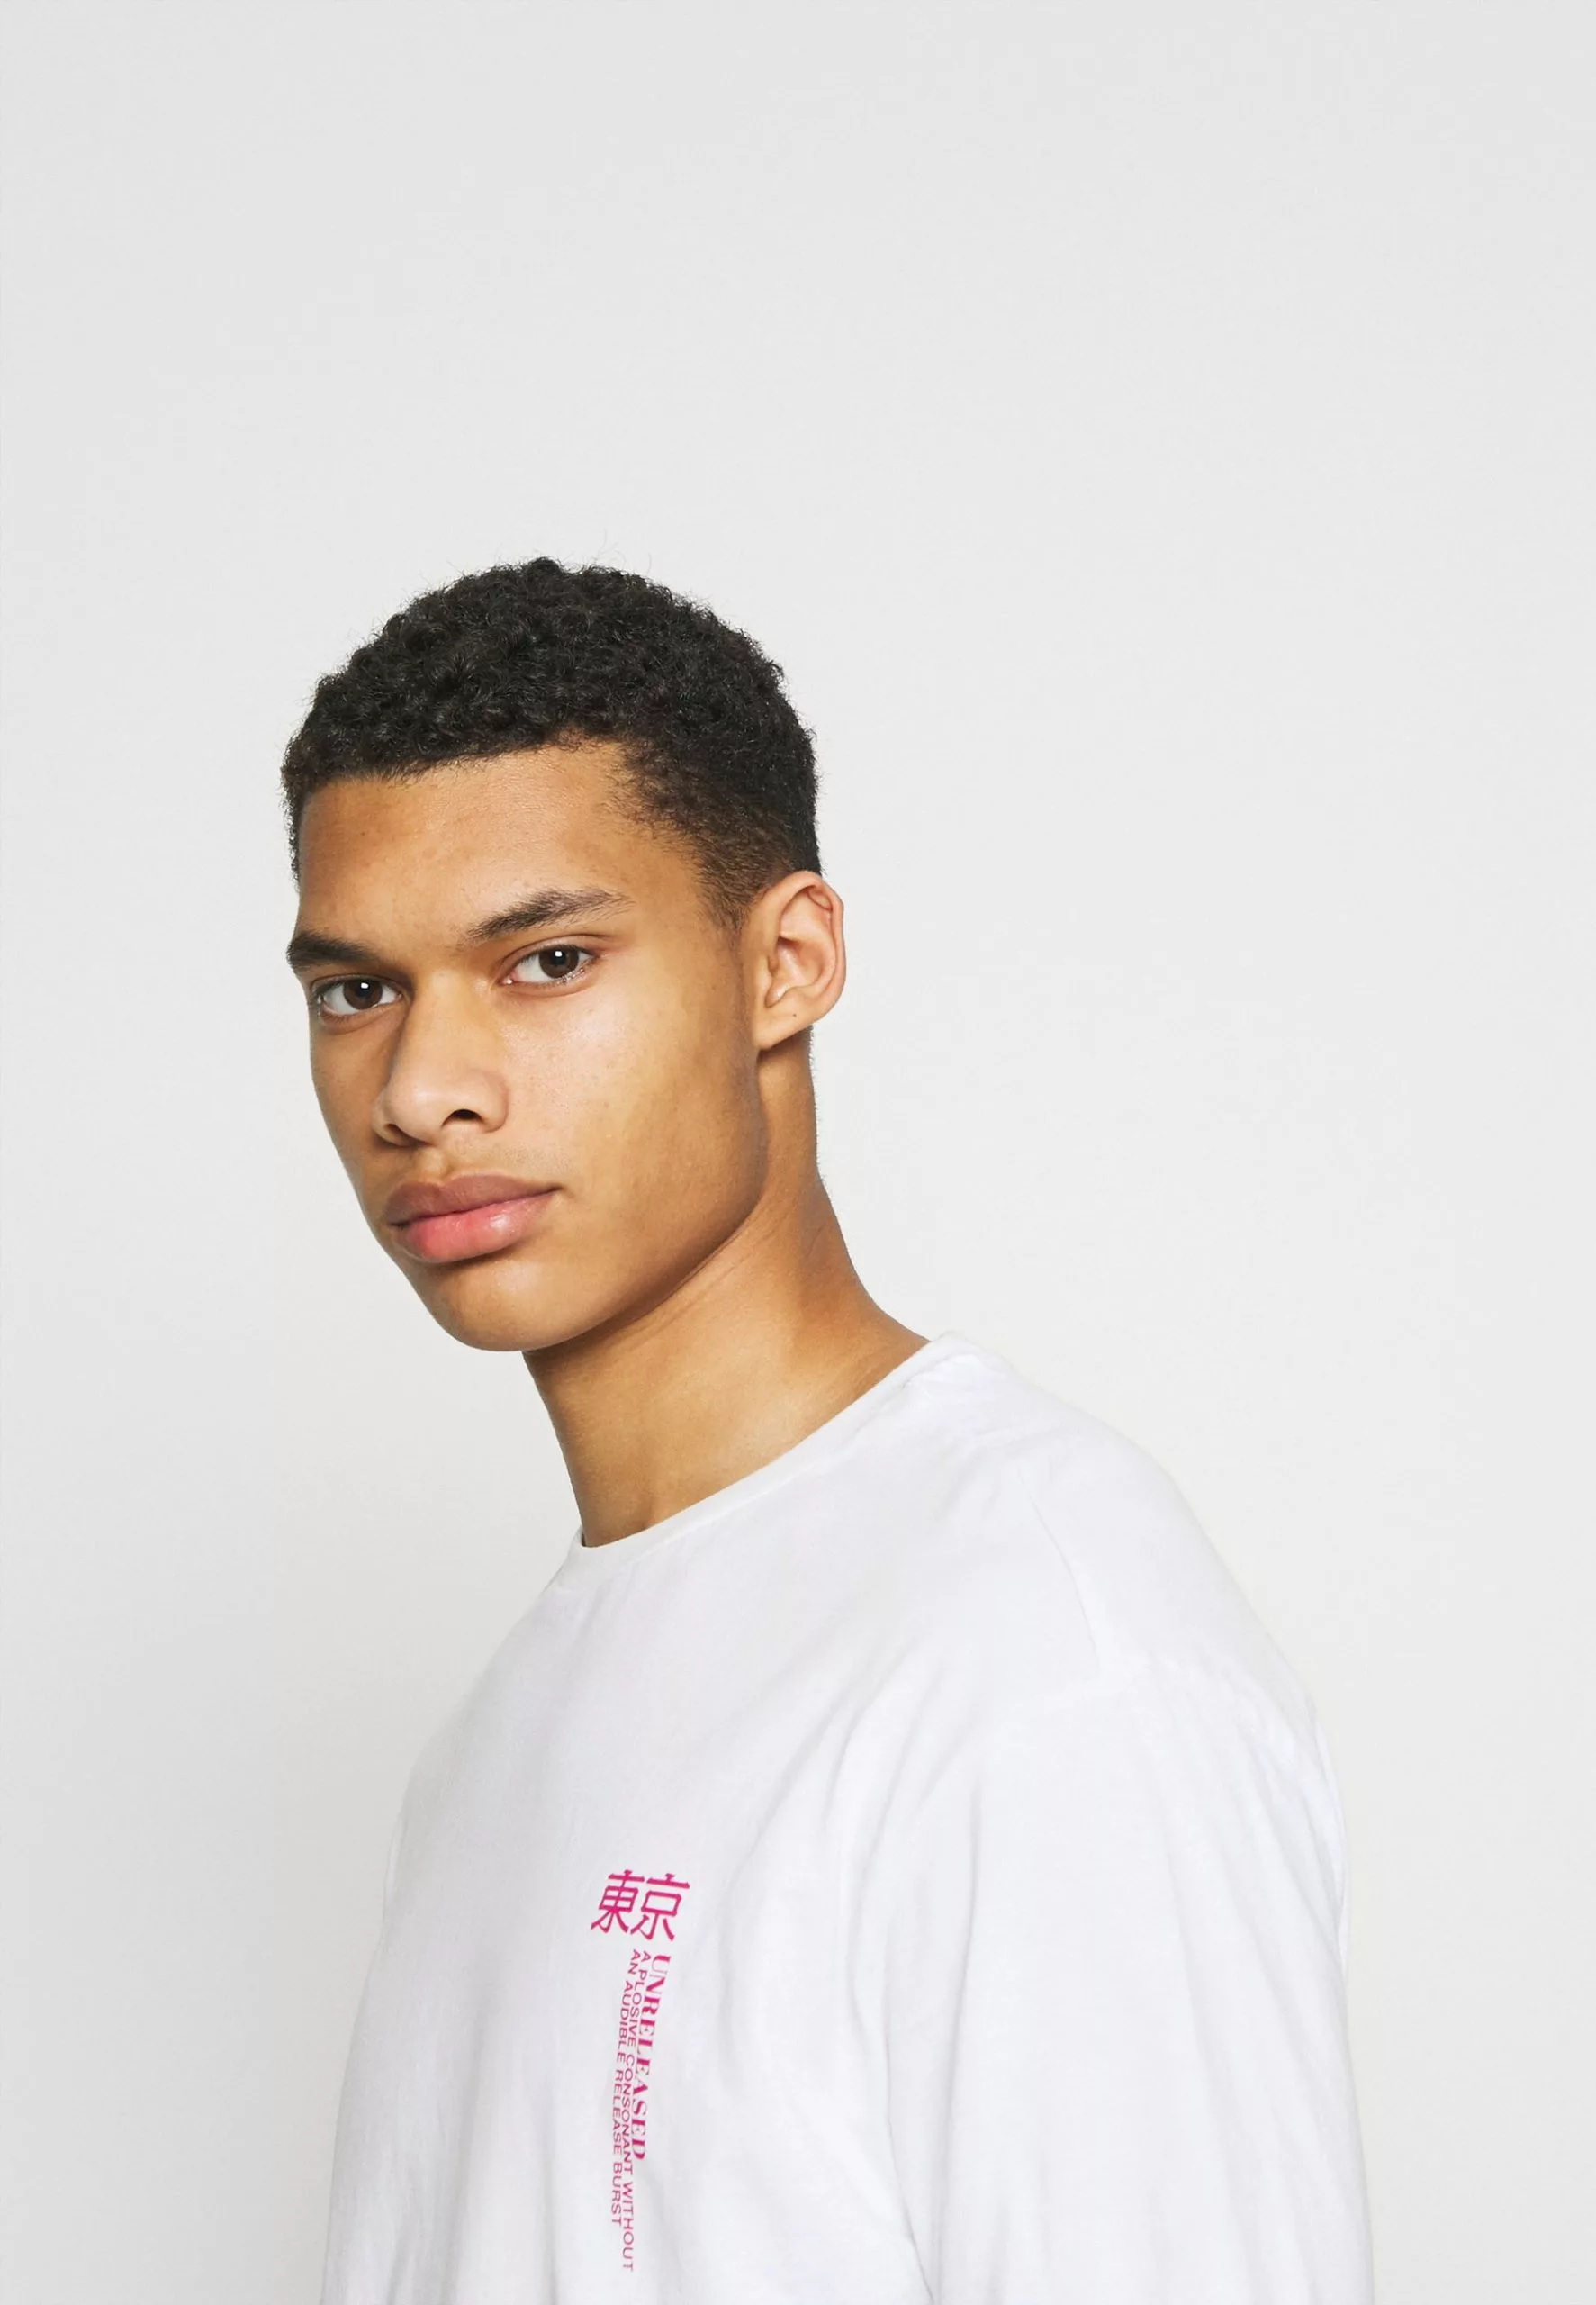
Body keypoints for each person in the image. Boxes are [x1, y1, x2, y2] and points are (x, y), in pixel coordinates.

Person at [283, 559, 1373, 2304]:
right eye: (358, 992)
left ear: (784, 962)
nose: (422, 1090)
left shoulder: (1045, 1654)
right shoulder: (485, 1753)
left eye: (547, 961)